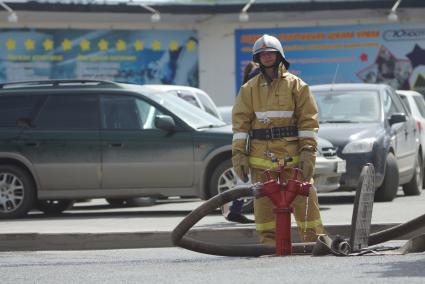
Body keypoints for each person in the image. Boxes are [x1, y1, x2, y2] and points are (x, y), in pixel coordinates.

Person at [231, 34, 326, 244]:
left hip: (294, 159)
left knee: (306, 202)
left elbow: (308, 122)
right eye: (262, 54)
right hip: (261, 160)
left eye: (270, 53)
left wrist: (308, 152)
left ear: (279, 55)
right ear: (257, 57)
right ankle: (269, 247)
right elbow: (240, 126)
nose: (266, 57)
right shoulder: (248, 89)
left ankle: (313, 244)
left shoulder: (297, 86)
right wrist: (238, 154)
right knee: (264, 210)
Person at [223, 61, 260, 224]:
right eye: (255, 71)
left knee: (246, 179)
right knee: (246, 179)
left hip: (252, 139)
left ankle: (234, 210)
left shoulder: (249, 90)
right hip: (251, 140)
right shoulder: (249, 91)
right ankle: (234, 210)